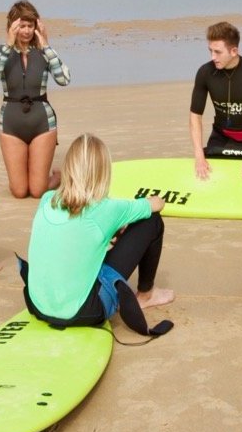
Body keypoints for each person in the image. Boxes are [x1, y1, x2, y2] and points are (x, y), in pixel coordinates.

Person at [20, 133, 174, 336]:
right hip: (85, 311)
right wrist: (125, 220)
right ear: (104, 171)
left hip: (37, 305)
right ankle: (146, 294)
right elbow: (157, 204)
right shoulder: (106, 208)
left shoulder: (48, 198)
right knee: (151, 221)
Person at [0, 0, 71, 198]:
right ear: (12, 27)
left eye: (30, 26)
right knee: (19, 191)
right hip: (11, 124)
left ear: (37, 27)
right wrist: (8, 46)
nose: (26, 31)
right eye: (21, 26)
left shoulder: (45, 52)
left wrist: (47, 46)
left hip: (42, 122)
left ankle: (55, 178)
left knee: (38, 191)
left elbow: (64, 79)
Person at [189, 21, 242, 180]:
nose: (212, 57)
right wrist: (199, 156)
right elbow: (195, 116)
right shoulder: (205, 73)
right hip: (222, 136)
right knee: (211, 177)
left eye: (217, 52)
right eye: (210, 51)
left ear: (234, 51)